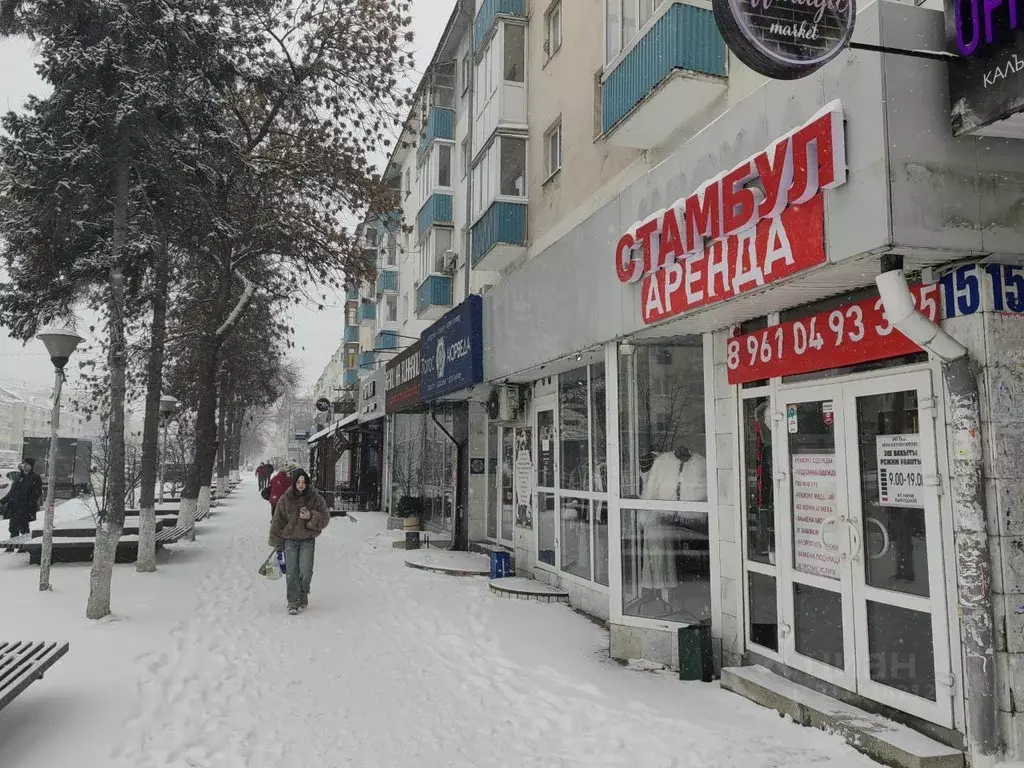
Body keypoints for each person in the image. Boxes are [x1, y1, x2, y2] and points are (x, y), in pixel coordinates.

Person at [268, 470, 330, 614]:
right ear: (294, 482)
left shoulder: (315, 498)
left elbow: (325, 518)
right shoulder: (285, 499)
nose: (301, 485)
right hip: (290, 540)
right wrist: (277, 541)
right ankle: (293, 602)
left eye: (303, 482)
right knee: (292, 572)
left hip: (307, 540)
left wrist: (311, 516)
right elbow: (278, 521)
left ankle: (303, 591)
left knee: (306, 571)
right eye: (298, 482)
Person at [1, 458, 43, 539]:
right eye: (24, 464)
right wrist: (2, 501)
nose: (25, 466)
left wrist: (30, 504)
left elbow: (36, 494)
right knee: (13, 528)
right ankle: (11, 546)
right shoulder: (19, 477)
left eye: (27, 464)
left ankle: (23, 547)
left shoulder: (35, 477)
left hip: (25, 508)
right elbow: (12, 492)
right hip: (14, 507)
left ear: (31, 466)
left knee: (24, 528)